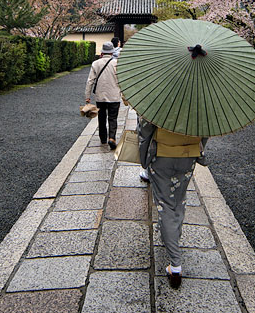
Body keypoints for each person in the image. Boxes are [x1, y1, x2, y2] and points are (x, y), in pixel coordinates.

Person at [138, 116, 208, 289]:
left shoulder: (160, 98)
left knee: (165, 204)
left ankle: (175, 265)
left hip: (162, 154)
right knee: (178, 198)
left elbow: (145, 128)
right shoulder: (201, 103)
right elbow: (207, 129)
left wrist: (144, 152)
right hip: (188, 155)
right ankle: (173, 235)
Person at [85, 41, 121, 150]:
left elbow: (90, 81)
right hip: (114, 95)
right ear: (112, 52)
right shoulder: (117, 63)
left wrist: (87, 96)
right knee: (113, 118)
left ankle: (103, 138)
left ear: (102, 52)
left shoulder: (96, 63)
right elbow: (121, 80)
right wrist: (124, 94)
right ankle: (112, 138)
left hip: (100, 96)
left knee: (101, 118)